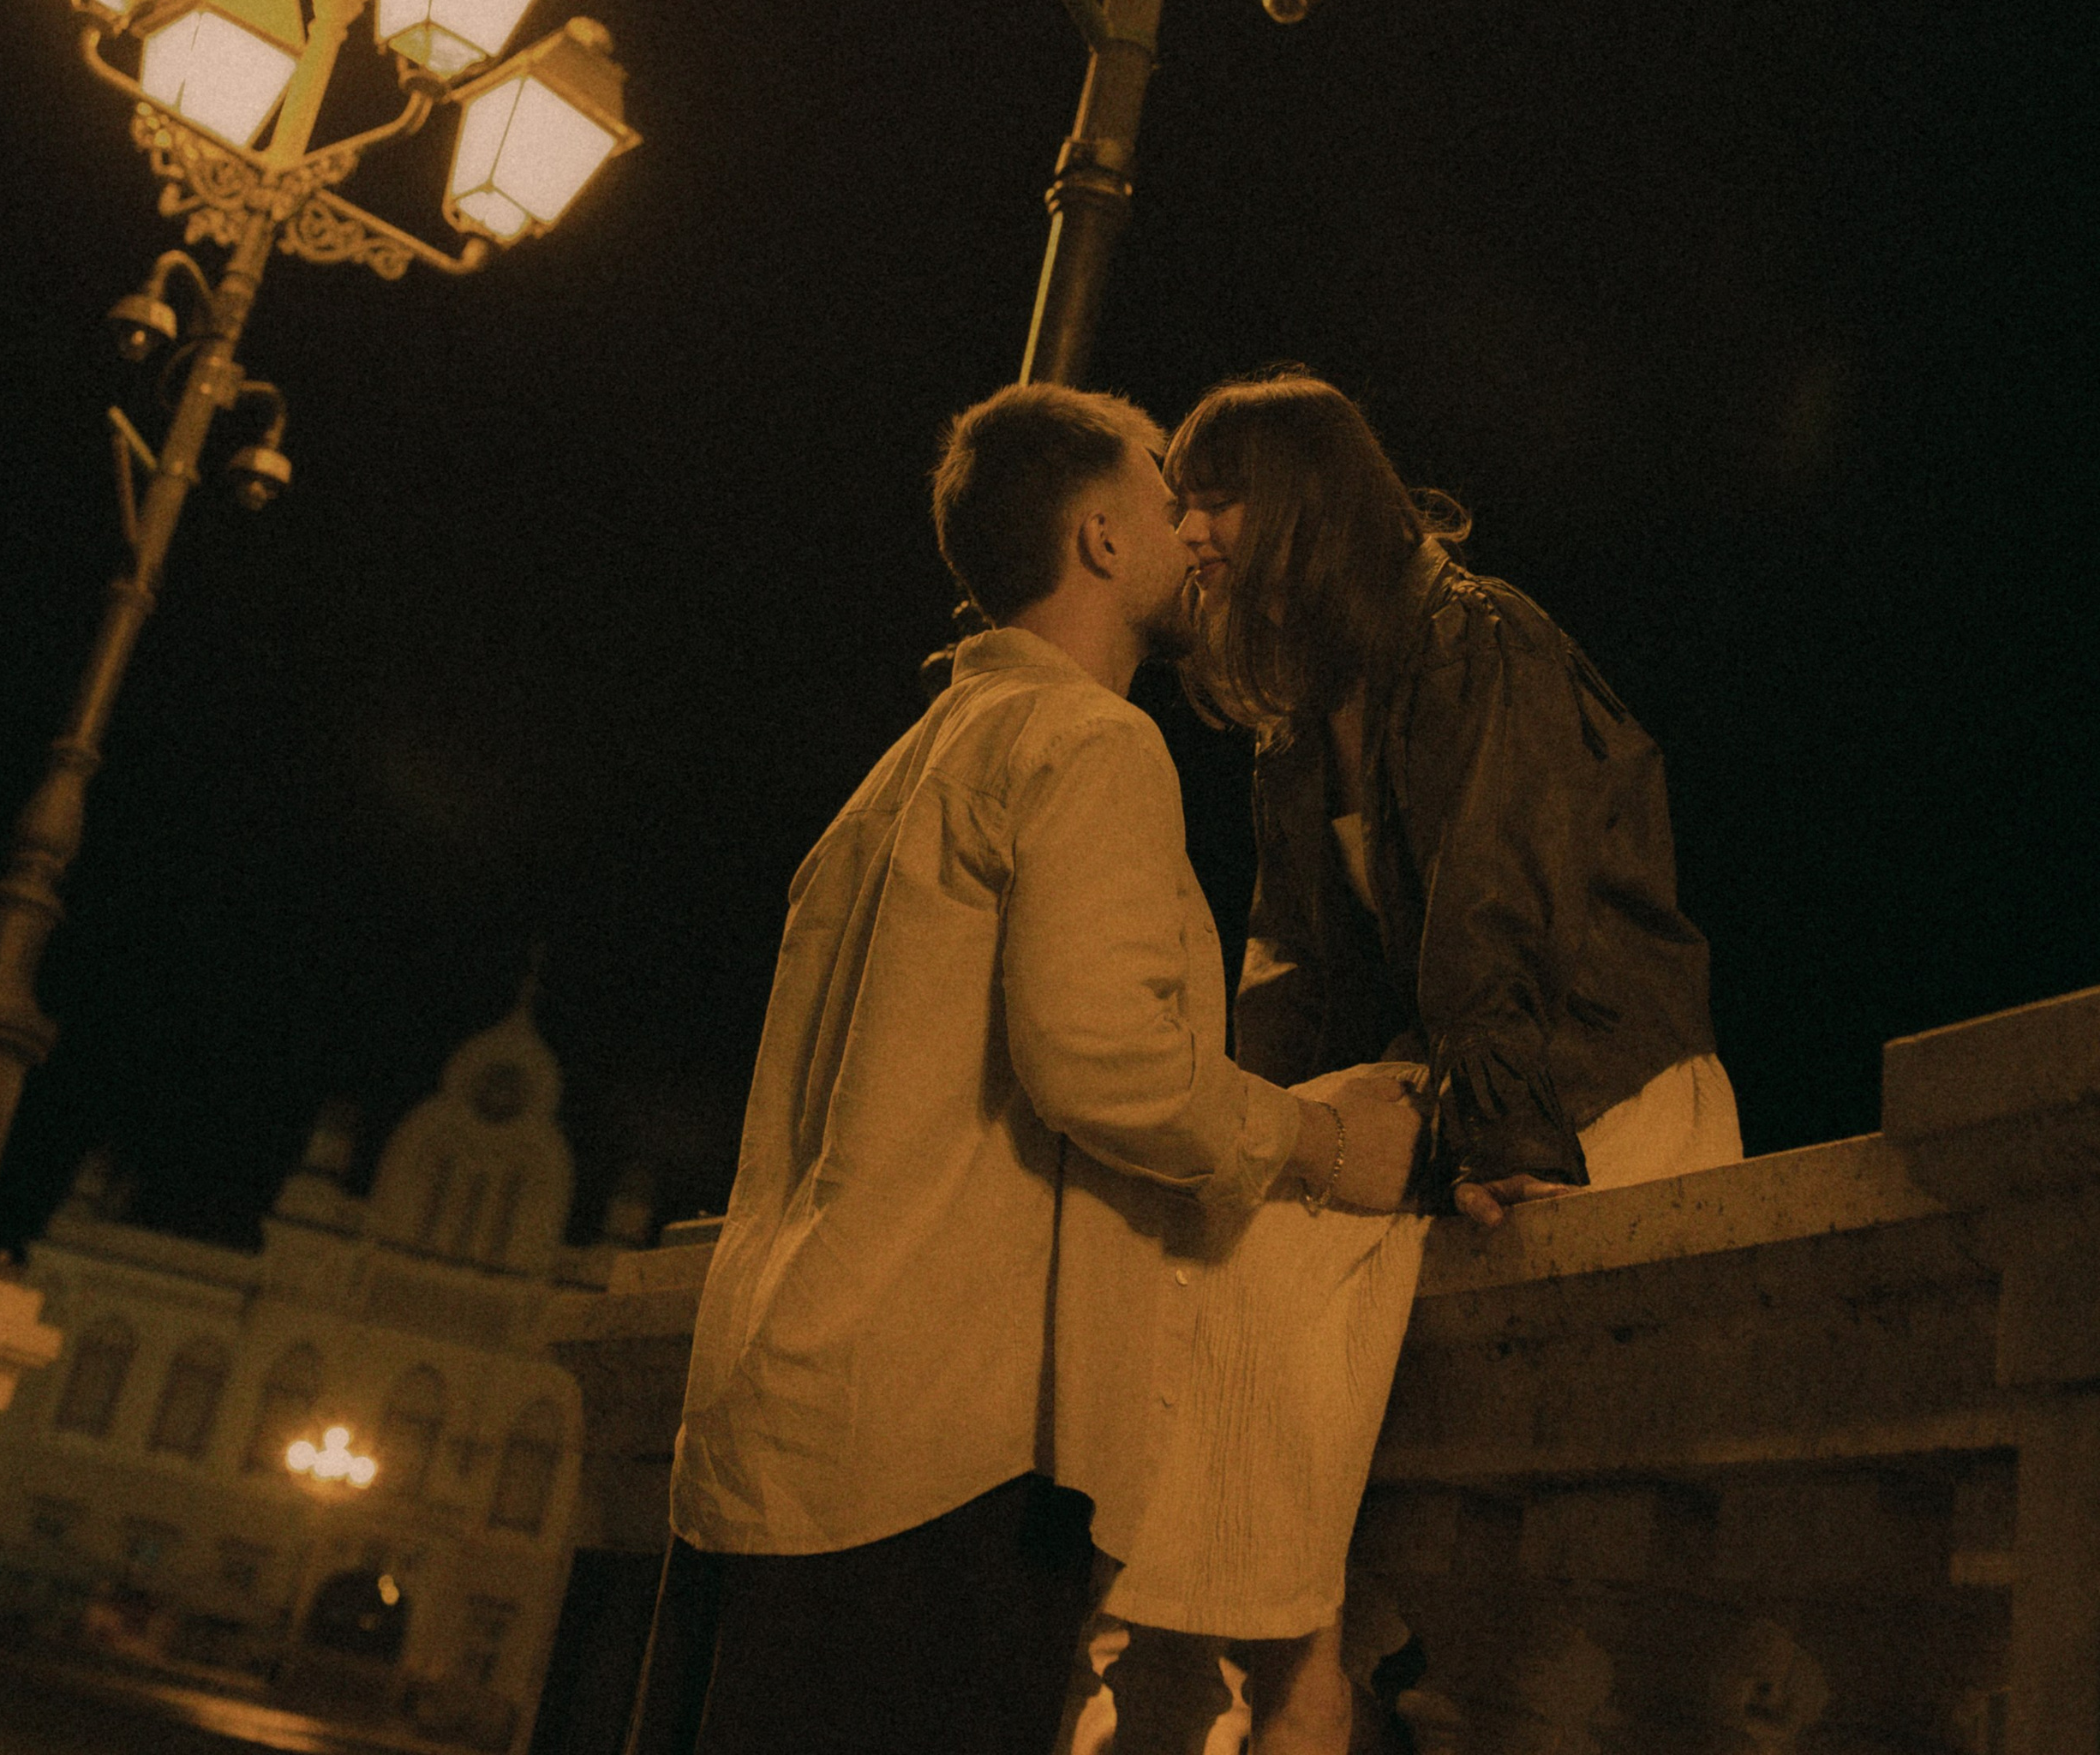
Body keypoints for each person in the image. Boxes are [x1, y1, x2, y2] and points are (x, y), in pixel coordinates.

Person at [630, 381, 1416, 1755]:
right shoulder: (1091, 743)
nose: (1195, 530)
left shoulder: (897, 775)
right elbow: (1106, 1060)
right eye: (1168, 496)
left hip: (786, 1410)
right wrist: (1317, 1144)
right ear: (1104, 540)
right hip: (946, 1443)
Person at [1082, 370, 1740, 1755]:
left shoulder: (1477, 641)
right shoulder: (1302, 725)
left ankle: (1287, 1683)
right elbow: (1297, 985)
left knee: (1273, 1241)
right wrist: (1228, 1128)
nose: (1192, 530)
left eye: (1219, 495)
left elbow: (1506, 894)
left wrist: (1495, 1136)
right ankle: (1252, 1667)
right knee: (1225, 1211)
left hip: (1587, 1083)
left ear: (1307, 505)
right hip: (1462, 1073)